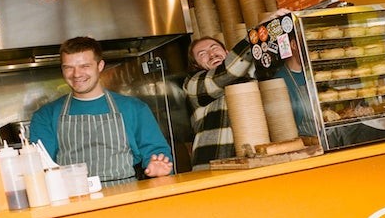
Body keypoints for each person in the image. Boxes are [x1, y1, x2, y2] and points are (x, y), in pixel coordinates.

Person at [29, 36, 173, 186]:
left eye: (85, 66)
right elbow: (41, 167)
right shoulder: (45, 116)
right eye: (69, 67)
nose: (76, 74)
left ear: (100, 66)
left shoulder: (134, 108)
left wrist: (158, 166)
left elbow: (156, 152)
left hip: (126, 196)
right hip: (74, 198)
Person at [183, 36, 256, 170]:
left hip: (253, 163)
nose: (211, 54)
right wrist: (254, 37)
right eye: (202, 54)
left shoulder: (250, 75)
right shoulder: (194, 84)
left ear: (228, 54)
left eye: (215, 48)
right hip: (213, 166)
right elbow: (226, 73)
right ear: (196, 65)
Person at [272, 33, 317, 137]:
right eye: (305, 43)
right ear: (293, 45)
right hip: (304, 141)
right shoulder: (279, 80)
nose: (311, 50)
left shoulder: (313, 73)